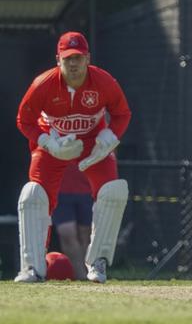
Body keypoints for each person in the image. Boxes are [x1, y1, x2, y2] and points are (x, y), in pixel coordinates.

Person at [15, 31, 131, 283]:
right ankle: (33, 267)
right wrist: (47, 142)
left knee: (113, 190)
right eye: (68, 58)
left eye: (78, 57)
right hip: (53, 142)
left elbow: (122, 113)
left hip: (93, 142)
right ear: (58, 60)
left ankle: (98, 262)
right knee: (33, 194)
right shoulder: (43, 84)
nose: (74, 64)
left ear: (87, 58)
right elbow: (24, 120)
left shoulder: (104, 82)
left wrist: (110, 136)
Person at [51, 162, 93, 280]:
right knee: (67, 234)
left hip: (88, 188)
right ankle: (80, 276)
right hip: (60, 189)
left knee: (87, 235)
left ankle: (88, 272)